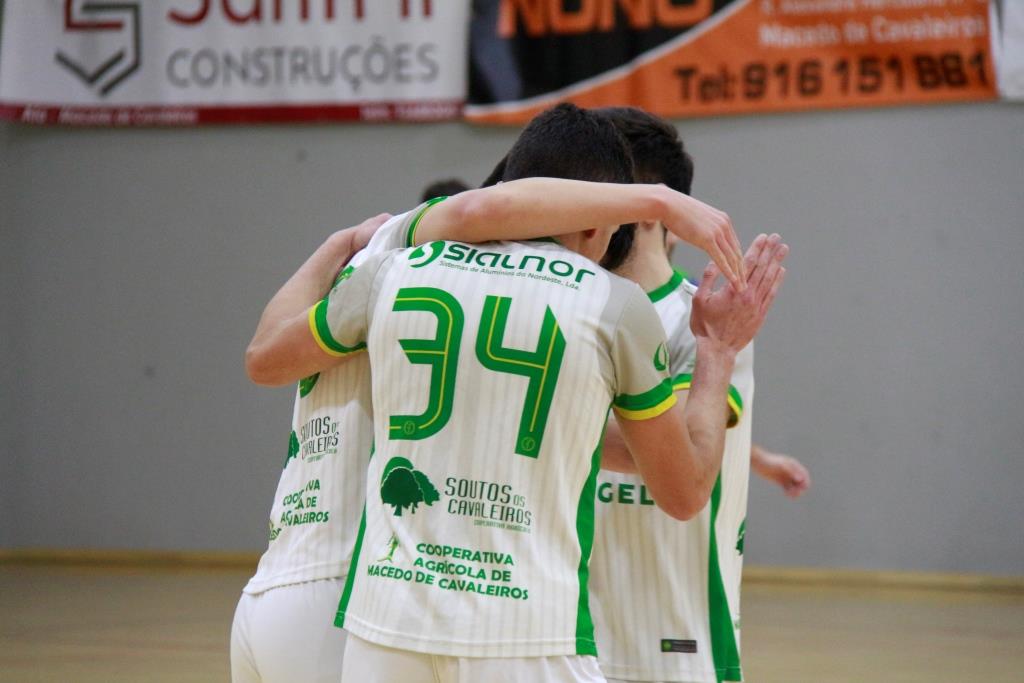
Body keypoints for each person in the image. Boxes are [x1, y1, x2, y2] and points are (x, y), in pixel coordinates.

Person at [243, 103, 786, 683]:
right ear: (597, 219)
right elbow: (684, 488)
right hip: (525, 630)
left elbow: (265, 359)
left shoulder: (394, 264)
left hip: (375, 620)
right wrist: (719, 349)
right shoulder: (611, 305)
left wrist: (336, 246)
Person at [588, 106, 806, 683]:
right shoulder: (568, 303)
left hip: (673, 643)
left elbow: (676, 446)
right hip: (567, 635)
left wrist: (533, 419)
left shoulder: (703, 318)